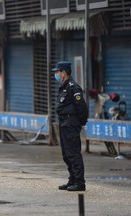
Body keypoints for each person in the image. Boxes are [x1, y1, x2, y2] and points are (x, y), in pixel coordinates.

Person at [52, 61, 88, 192]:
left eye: (57, 72)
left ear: (64, 72)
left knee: (73, 153)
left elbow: (81, 107)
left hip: (70, 123)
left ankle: (80, 182)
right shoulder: (64, 86)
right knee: (66, 154)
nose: (56, 74)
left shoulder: (73, 87)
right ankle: (72, 179)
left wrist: (80, 122)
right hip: (64, 123)